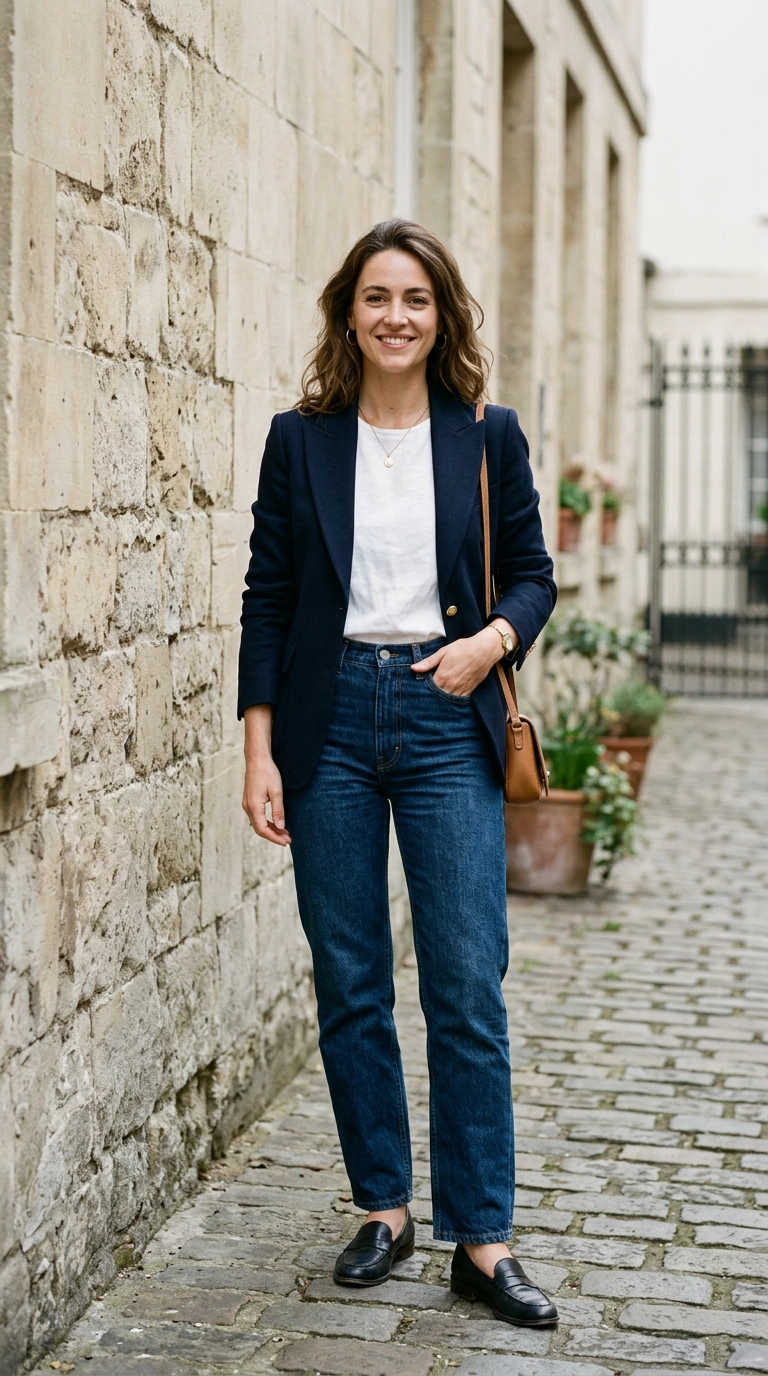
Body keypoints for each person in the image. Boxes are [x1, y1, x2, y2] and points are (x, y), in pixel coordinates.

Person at [238, 220, 558, 1327]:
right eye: (376, 297)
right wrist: (259, 748)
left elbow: (533, 575)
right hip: (325, 719)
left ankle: (483, 1237)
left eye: (415, 298)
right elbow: (268, 595)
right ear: (348, 313)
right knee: (351, 975)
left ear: (441, 315)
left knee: (466, 977)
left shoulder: (487, 434)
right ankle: (383, 1207)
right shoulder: (300, 439)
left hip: (443, 713)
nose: (395, 316)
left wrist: (488, 644)